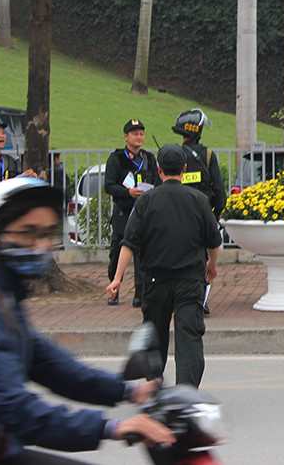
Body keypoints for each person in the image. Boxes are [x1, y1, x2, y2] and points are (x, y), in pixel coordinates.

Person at [0, 177, 173, 463]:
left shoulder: (4, 297)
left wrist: (131, 391)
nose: (41, 245)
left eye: (47, 234)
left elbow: (55, 367)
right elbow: (20, 412)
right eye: (28, 233)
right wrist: (112, 428)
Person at [106, 144, 221, 388]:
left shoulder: (146, 202)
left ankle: (154, 387)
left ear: (159, 170)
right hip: (190, 282)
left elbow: (129, 243)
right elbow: (214, 240)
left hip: (155, 281)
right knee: (189, 337)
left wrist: (117, 278)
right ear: (184, 169)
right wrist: (213, 264)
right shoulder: (199, 200)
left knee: (155, 336)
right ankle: (186, 392)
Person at [172, 108, 225, 315]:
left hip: (176, 214)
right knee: (202, 259)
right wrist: (217, 213)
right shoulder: (209, 155)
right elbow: (218, 188)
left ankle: (177, 298)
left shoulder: (174, 154)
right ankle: (200, 300)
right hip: (202, 215)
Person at [104, 119, 160, 307]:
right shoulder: (117, 158)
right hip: (124, 211)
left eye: (141, 134)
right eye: (135, 134)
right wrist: (128, 192)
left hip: (144, 212)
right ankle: (114, 289)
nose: (139, 137)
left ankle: (141, 295)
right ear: (126, 136)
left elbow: (158, 183)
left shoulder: (149, 159)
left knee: (142, 254)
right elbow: (109, 186)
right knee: (118, 251)